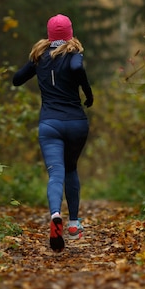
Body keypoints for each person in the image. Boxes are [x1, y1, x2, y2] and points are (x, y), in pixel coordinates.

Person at [12, 14, 94, 252]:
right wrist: (88, 94)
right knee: (71, 168)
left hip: (50, 125)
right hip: (76, 124)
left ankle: (56, 214)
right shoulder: (74, 56)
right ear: (69, 33)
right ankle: (73, 224)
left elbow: (17, 80)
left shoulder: (39, 58)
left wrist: (35, 65)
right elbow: (77, 67)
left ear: (49, 35)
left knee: (55, 173)